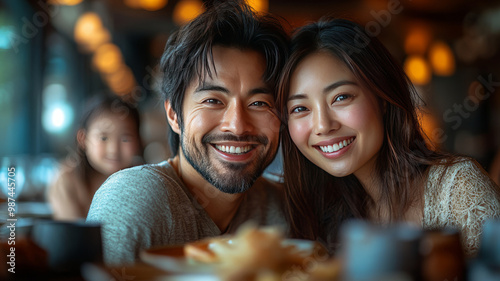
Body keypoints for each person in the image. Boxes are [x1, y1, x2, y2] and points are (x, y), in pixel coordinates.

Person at [86, 1, 290, 265]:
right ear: (173, 115)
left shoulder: (283, 208)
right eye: (213, 101)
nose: (238, 126)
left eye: (259, 103)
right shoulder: (138, 200)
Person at [277, 18, 500, 258]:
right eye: (300, 109)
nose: (322, 126)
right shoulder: (320, 214)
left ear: (382, 98)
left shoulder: (457, 189)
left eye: (341, 97)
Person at [48, 95, 143, 220]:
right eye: (103, 138)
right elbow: (75, 236)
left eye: (125, 138)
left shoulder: (143, 181)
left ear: (138, 140)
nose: (113, 149)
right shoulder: (66, 180)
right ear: (83, 139)